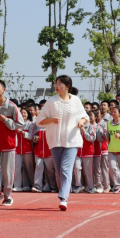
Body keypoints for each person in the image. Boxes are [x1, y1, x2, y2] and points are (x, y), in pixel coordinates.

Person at [36, 75, 89, 212]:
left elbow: (85, 116)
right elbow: (39, 120)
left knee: (66, 169)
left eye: (59, 84)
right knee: (59, 171)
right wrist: (52, 120)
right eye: (56, 84)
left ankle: (64, 198)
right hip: (56, 140)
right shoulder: (51, 102)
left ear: (67, 86)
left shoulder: (76, 100)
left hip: (72, 140)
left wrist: (81, 122)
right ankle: (64, 189)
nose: (56, 86)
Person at [0, 80, 24, 207]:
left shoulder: (11, 106)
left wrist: (7, 121)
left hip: (8, 144)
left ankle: (8, 195)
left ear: (4, 89)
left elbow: (20, 124)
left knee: (7, 171)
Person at [14, 108, 34, 193]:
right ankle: (18, 185)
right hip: (18, 149)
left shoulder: (30, 124)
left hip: (27, 149)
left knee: (28, 168)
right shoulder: (16, 124)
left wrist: (22, 132)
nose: (23, 114)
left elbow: (31, 136)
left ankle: (30, 184)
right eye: (21, 113)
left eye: (24, 113)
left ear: (28, 114)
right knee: (17, 167)